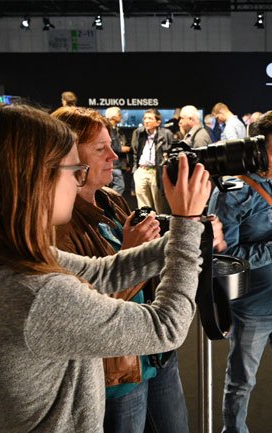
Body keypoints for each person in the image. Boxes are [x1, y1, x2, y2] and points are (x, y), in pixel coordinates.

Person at [0, 103, 211, 432]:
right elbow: (166, 327)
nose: (77, 182)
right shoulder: (36, 293)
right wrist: (186, 223)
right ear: (37, 179)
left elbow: (104, 272)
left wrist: (189, 234)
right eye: (74, 171)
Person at [51, 107, 225, 432]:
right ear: (68, 156)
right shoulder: (59, 226)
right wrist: (141, 247)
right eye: (100, 149)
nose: (114, 156)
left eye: (110, 145)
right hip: (117, 370)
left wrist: (185, 229)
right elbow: (84, 315)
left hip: (155, 353)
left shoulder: (111, 198)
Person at [208, 110, 272, 433]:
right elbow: (224, 257)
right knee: (241, 382)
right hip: (253, 305)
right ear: (254, 149)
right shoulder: (231, 192)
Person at [132, 108, 174, 214]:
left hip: (156, 171)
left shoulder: (166, 133)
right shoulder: (139, 133)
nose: (146, 121)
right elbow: (135, 152)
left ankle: (160, 229)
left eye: (150, 118)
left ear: (158, 122)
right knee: (143, 208)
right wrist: (135, 171)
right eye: (145, 118)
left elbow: (170, 153)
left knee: (159, 206)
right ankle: (145, 228)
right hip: (141, 170)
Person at [105, 106, 129, 195]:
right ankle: (110, 200)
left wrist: (126, 163)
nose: (121, 116)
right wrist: (121, 149)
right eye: (119, 114)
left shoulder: (118, 130)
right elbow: (107, 146)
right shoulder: (108, 129)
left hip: (119, 164)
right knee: (120, 186)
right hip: (113, 164)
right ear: (113, 117)